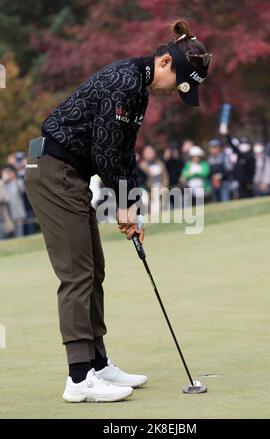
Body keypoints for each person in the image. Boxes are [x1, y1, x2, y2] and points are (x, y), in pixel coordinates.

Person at [24, 19, 211, 403]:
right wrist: (123, 205)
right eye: (179, 82)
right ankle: (78, 379)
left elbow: (124, 154)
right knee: (77, 272)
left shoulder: (138, 92)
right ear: (164, 62)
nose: (176, 90)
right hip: (52, 170)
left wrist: (133, 208)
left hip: (69, 174)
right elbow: (105, 152)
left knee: (95, 268)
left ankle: (97, 362)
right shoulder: (125, 81)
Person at [139, 145, 169, 214]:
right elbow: (143, 181)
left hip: (161, 188)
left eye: (151, 151)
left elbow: (165, 177)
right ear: (144, 154)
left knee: (165, 193)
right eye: (147, 152)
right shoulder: (142, 166)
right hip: (148, 189)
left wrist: (164, 186)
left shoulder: (160, 163)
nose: (149, 153)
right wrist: (153, 188)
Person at [1, 164, 26, 237]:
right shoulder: (1, 183)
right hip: (5, 217)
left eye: (9, 172)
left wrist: (14, 178)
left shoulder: (18, 182)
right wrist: (3, 180)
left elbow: (22, 190)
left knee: (19, 236)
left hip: (17, 214)